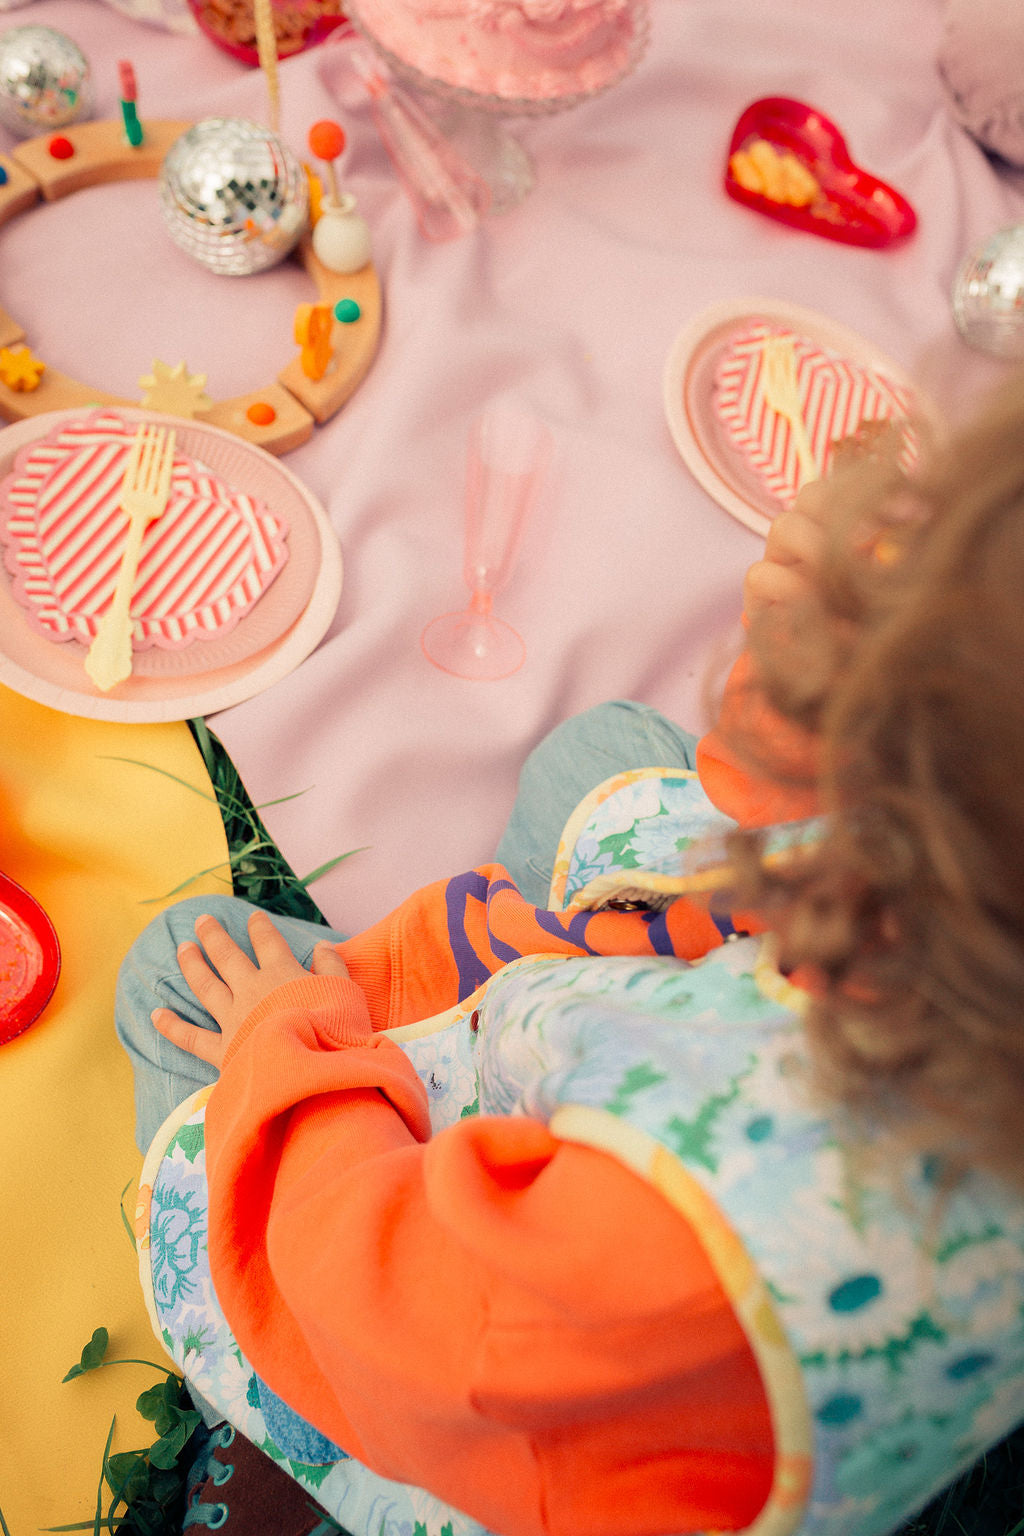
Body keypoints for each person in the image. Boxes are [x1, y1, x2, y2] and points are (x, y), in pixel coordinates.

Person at [116, 376, 1024, 1536]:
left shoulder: (713, 1213)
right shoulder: (966, 931)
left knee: (178, 967)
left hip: (477, 1392)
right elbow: (824, 818)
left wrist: (290, 1050)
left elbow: (410, 1316)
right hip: (703, 1080)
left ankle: (267, 1463)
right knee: (602, 751)